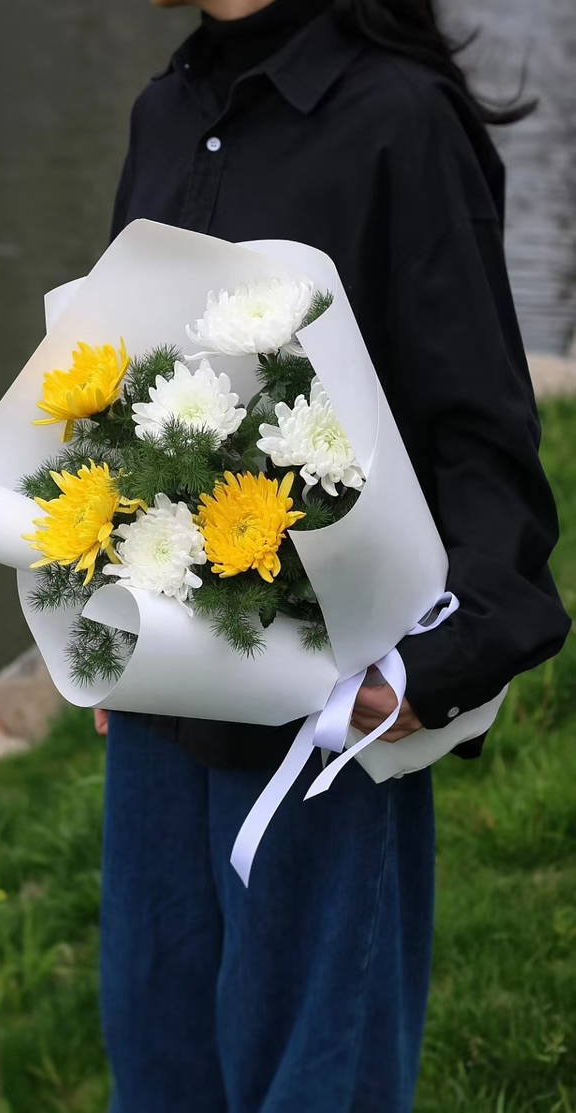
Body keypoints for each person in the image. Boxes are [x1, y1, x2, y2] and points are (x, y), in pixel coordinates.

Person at [95, 1, 572, 1110]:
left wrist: (426, 668)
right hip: (161, 695)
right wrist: (96, 608)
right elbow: (116, 385)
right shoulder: (164, 111)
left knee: (316, 1081)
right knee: (158, 1076)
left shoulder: (398, 120)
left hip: (328, 712)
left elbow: (482, 441)